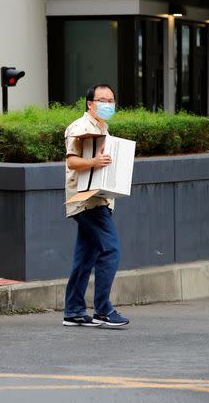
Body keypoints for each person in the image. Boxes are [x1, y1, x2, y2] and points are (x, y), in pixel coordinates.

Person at [62, 84, 130, 328]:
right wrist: (94, 162)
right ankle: (102, 309)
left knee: (85, 257)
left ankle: (74, 311)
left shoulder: (102, 128)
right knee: (110, 250)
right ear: (89, 103)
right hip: (88, 201)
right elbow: (71, 161)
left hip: (99, 199)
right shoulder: (80, 127)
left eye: (111, 100)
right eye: (102, 100)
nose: (108, 105)